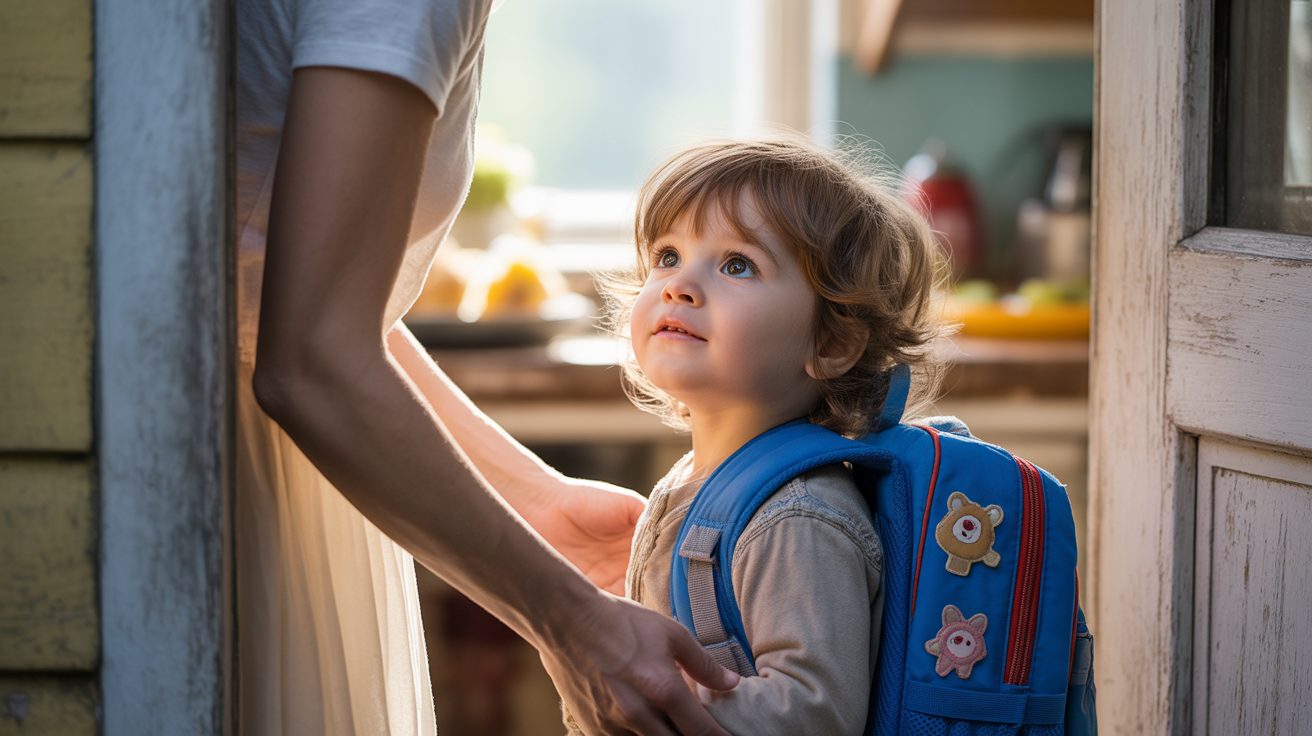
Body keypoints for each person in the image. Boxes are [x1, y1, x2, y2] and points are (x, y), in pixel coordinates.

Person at [234, 0, 739, 734]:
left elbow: (278, 294)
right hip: (229, 479)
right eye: (666, 256)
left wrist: (538, 510)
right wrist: (570, 620)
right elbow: (309, 357)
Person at [425, 137, 947, 734]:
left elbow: (813, 716)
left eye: (736, 265)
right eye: (668, 256)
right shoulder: (703, 481)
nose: (679, 284)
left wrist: (650, 697)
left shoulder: (798, 519)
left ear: (831, 343)